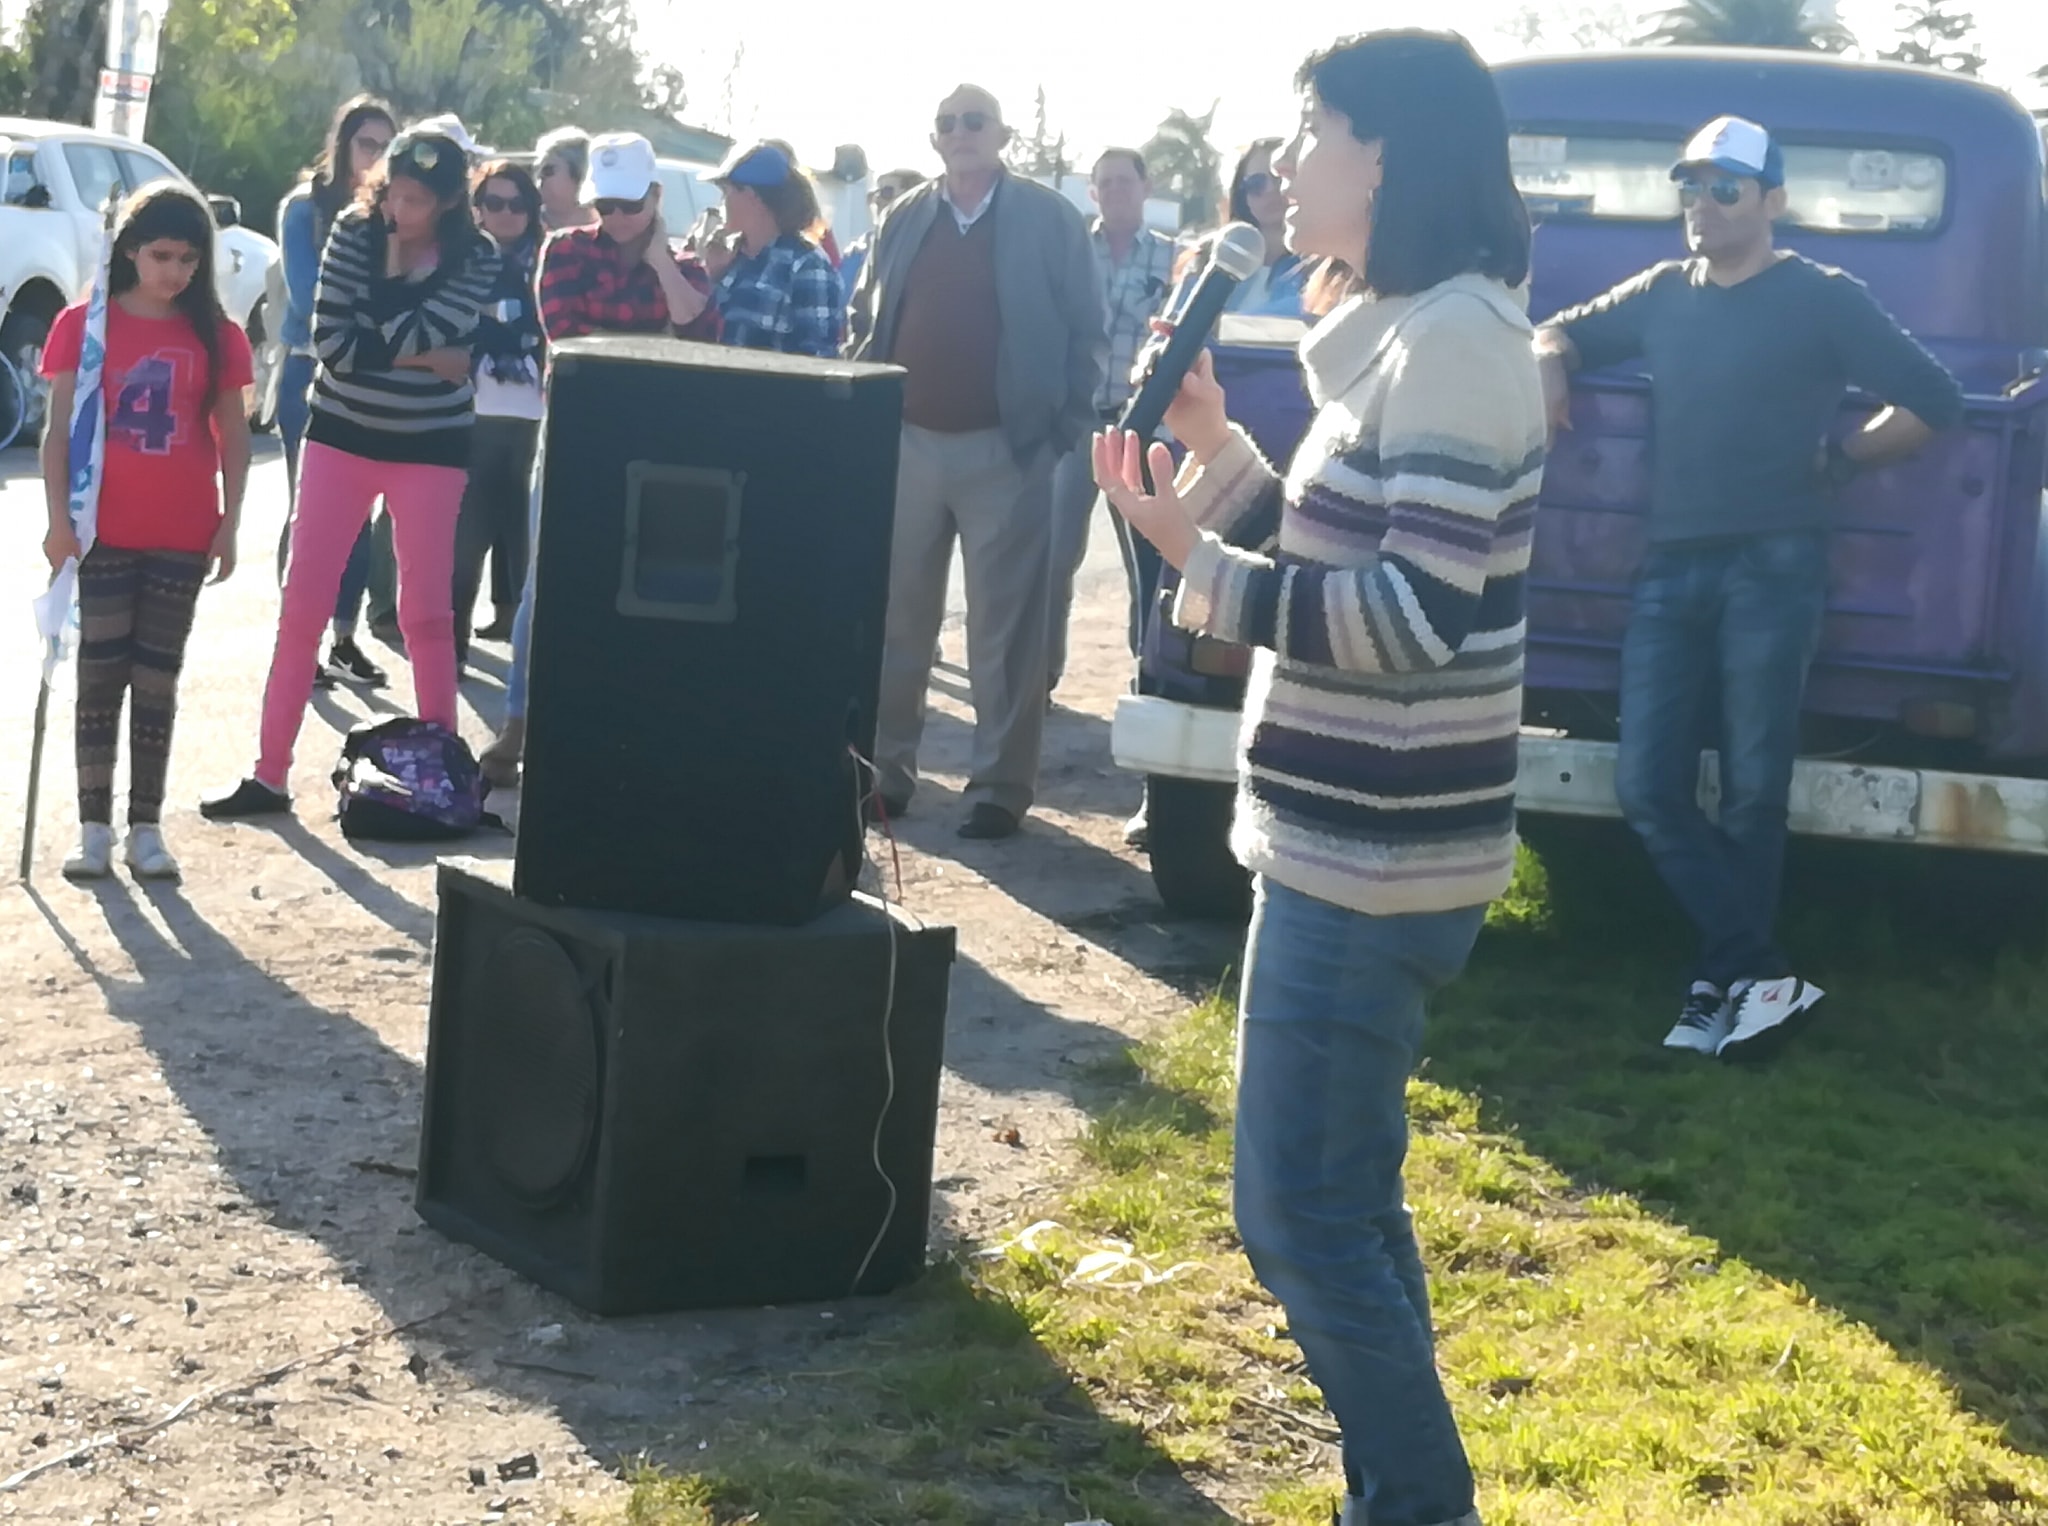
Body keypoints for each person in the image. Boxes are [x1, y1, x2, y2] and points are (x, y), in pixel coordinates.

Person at [1095, 31, 1545, 1526]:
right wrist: (1218, 459)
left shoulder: (1464, 343)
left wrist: (1193, 568)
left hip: (1378, 858)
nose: (1283, 165)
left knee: (1294, 1212)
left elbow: (1419, 620)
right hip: (1343, 841)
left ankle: (1416, 1505)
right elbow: (1331, 553)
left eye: (1311, 130)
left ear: (1389, 154)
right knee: (1342, 1199)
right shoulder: (1406, 335)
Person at [1534, 115, 1963, 1060]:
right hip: (1672, 566)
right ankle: (1755, 969)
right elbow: (1562, 329)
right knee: (1647, 785)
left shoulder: (1823, 296)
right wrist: (1549, 362)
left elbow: (1933, 399)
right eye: (1689, 183)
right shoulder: (1661, 292)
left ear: (1773, 201)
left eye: (1725, 187)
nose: (1701, 201)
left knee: (1755, 791)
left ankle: (1717, 987)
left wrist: (1844, 456)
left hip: (1777, 565)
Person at [202, 128, 500, 820]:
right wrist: (427, 350)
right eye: (394, 191)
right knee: (303, 604)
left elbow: (413, 332)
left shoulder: (476, 256)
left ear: (453, 201)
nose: (402, 207)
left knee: (426, 613)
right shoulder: (353, 232)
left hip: (432, 447)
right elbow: (334, 343)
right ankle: (269, 776)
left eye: (420, 200)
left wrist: (387, 334)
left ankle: (443, 782)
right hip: (341, 436)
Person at [846, 84, 1106, 840]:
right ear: (935, 139)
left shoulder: (1049, 219)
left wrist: (1060, 430)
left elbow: (1086, 332)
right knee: (897, 622)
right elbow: (867, 320)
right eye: (949, 124)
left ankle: (998, 785)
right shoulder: (905, 216)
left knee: (1004, 632)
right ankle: (887, 774)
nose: (962, 133)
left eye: (976, 122)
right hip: (908, 442)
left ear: (1003, 135)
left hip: (1009, 446)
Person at [478, 132, 721, 787]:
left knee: (650, 582)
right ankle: (520, 722)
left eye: (630, 205)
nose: (615, 219)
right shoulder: (563, 251)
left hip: (659, 446)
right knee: (544, 581)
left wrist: (661, 260)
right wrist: (652, 337)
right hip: (578, 432)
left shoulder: (683, 259)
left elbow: (700, 328)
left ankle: (629, 722)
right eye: (605, 205)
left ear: (655, 198)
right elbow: (571, 338)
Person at [40, 185, 254, 880]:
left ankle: (146, 827)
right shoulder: (85, 326)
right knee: (99, 675)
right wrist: (56, 523)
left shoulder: (218, 335)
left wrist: (230, 522)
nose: (176, 272)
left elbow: (234, 435)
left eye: (190, 259)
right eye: (162, 255)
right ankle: (93, 826)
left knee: (156, 679)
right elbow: (57, 433)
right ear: (129, 250)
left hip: (182, 533)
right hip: (101, 528)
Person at [276, 94, 396, 689]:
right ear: (343, 144)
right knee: (311, 517)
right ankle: (297, 639)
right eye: (366, 144)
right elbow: (308, 297)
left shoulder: (396, 214)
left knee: (362, 516)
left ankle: (344, 637)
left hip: (373, 378)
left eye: (384, 146)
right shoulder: (305, 209)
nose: (374, 157)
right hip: (308, 371)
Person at [1047, 146, 1175, 702]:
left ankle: (1150, 673)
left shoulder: (1177, 260)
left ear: (1147, 188)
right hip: (1078, 425)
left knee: (1148, 562)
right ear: (1092, 192)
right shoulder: (1070, 254)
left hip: (1144, 431)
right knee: (1053, 557)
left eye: (1127, 180)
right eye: (1106, 183)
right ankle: (1039, 679)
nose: (1117, 190)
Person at [453, 159, 546, 665]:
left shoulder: (551, 257)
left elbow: (547, 319)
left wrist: (497, 315)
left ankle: (529, 665)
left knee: (528, 545)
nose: (506, 213)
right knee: (464, 544)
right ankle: (450, 653)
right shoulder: (464, 259)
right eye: (494, 202)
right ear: (478, 208)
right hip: (475, 413)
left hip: (537, 418)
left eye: (517, 204)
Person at [707, 141, 844, 357]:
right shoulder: (729, 258)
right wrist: (710, 274)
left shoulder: (808, 265)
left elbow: (818, 362)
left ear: (753, 196)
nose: (720, 202)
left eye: (726, 191)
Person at [837, 168, 925, 298]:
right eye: (873, 194)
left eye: (886, 192)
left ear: (912, 198)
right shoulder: (858, 251)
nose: (877, 200)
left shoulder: (928, 248)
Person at [534, 127, 599, 233]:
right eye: (538, 171)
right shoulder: (523, 227)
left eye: (548, 170)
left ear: (581, 172)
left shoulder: (614, 229)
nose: (540, 177)